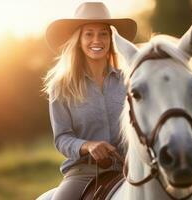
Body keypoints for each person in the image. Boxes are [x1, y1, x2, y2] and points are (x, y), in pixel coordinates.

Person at [39, 2, 137, 200]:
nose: (96, 40)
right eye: (89, 33)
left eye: (103, 33)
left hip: (132, 169)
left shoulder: (129, 80)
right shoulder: (62, 86)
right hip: (83, 173)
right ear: (78, 39)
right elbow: (62, 138)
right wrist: (88, 146)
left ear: (111, 39)